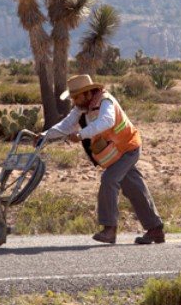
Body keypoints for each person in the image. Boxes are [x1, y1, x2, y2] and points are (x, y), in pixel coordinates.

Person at [38, 74, 165, 245]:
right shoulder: (82, 107)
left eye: (77, 97)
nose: (74, 101)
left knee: (109, 180)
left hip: (128, 147)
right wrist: (44, 136)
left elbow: (107, 121)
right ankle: (155, 229)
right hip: (116, 152)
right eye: (73, 97)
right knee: (134, 187)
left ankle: (109, 229)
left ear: (88, 93)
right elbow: (66, 125)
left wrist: (81, 134)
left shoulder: (105, 101)